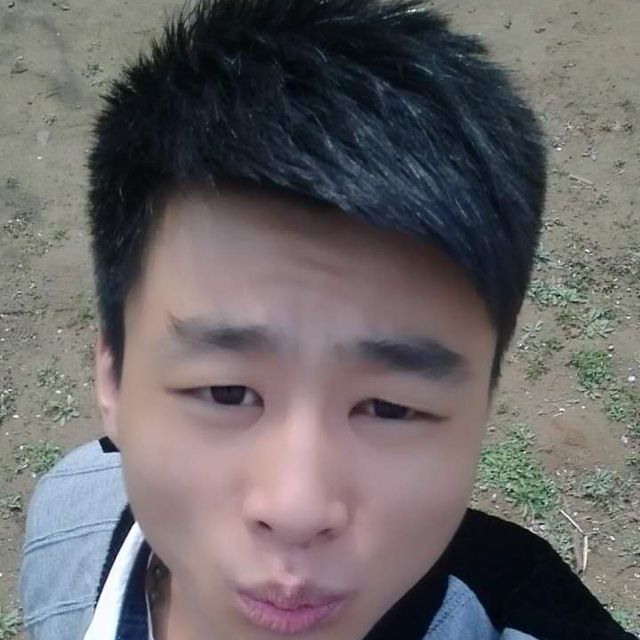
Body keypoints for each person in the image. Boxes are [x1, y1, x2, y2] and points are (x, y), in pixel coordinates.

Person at [18, 0, 638, 638]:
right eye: (227, 392)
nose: (297, 509)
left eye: (390, 408)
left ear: (483, 406)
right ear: (112, 375)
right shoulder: (70, 527)